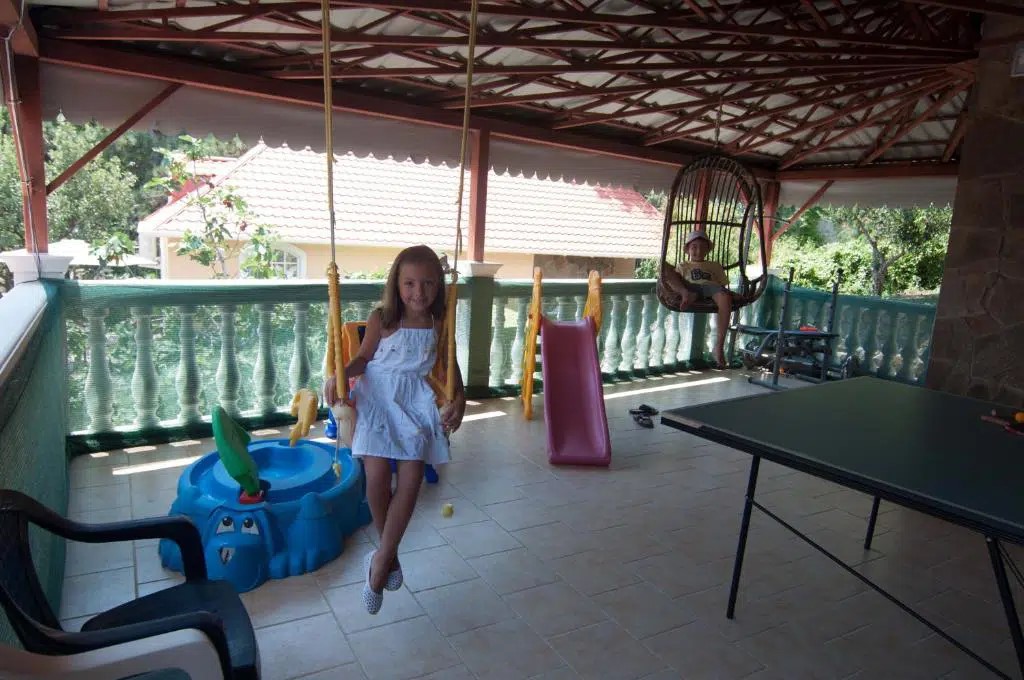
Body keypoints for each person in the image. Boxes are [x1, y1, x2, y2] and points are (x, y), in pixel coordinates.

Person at [323, 244, 466, 614]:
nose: (419, 292)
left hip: (414, 400)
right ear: (396, 284)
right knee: (375, 476)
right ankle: (388, 558)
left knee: (412, 477)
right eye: (410, 283)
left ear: (439, 286)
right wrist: (340, 374)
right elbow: (362, 359)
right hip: (377, 396)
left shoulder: (438, 323)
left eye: (429, 283)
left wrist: (460, 399)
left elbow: (450, 366)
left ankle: (380, 559)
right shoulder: (382, 319)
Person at [664, 230, 734, 368]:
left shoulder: (714, 265)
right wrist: (683, 289)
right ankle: (686, 294)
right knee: (665, 270)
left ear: (707, 250)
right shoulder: (683, 265)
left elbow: (722, 285)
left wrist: (728, 294)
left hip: (710, 288)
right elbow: (672, 281)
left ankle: (719, 347)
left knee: (725, 297)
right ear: (688, 249)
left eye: (702, 247)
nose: (698, 250)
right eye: (694, 247)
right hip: (689, 287)